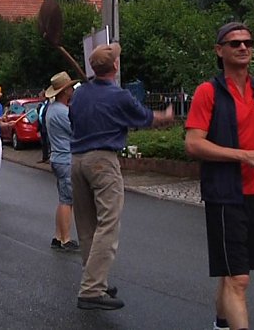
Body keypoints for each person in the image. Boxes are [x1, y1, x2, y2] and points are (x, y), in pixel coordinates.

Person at [184, 22, 254, 330]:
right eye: (235, 43)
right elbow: (193, 143)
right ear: (219, 51)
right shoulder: (209, 92)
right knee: (239, 278)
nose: (243, 47)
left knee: (233, 270)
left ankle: (222, 323)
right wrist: (243, 155)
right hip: (224, 194)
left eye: (247, 42)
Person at [69, 43, 173, 311]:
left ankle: (95, 280)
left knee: (86, 224)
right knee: (108, 224)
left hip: (77, 160)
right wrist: (167, 115)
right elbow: (147, 118)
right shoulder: (120, 96)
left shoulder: (80, 95)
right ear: (114, 66)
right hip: (103, 161)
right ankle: (92, 289)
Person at [44, 71, 79, 251]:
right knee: (68, 200)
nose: (73, 90)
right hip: (66, 158)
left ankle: (58, 236)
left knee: (63, 198)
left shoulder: (53, 109)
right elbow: (77, 131)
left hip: (58, 157)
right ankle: (65, 239)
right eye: (70, 87)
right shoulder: (63, 112)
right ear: (65, 91)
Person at [36, 91, 50, 163]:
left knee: (48, 143)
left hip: (47, 127)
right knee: (43, 143)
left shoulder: (49, 105)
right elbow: (39, 117)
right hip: (42, 127)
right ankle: (44, 157)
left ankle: (49, 157)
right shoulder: (40, 106)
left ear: (44, 97)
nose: (39, 98)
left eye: (40, 97)